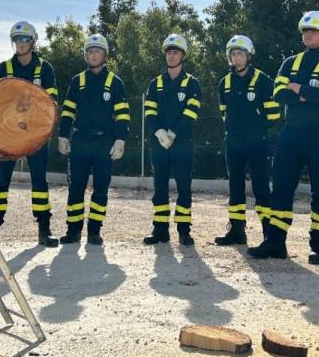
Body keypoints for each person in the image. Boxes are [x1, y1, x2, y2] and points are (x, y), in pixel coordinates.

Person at [248, 11, 319, 262]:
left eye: (313, 30)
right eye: (305, 31)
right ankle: (275, 242)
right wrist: (306, 93)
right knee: (280, 188)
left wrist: (297, 88)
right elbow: (278, 93)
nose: (308, 34)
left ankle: (318, 246)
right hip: (290, 133)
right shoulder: (289, 62)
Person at [0, 21, 60, 249]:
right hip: (8, 134)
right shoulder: (3, 68)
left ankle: (44, 230)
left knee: (39, 181)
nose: (20, 43)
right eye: (17, 39)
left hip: (35, 133)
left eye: (25, 39)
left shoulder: (45, 69)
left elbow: (50, 102)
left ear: (33, 42)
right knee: (1, 181)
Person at [57, 34, 129, 245]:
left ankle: (95, 231)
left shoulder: (115, 82)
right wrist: (63, 135)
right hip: (80, 142)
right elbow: (68, 111)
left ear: (104, 55)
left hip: (104, 143)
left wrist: (120, 140)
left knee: (101, 189)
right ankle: (73, 231)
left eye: (97, 51)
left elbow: (123, 115)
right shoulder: (77, 81)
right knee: (75, 188)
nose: (93, 55)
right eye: (90, 51)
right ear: (86, 55)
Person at [214, 35, 281, 246]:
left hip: (257, 142)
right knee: (235, 187)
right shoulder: (224, 83)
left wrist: (255, 130)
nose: (237, 57)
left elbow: (274, 114)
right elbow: (224, 112)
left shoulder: (263, 81)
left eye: (240, 53)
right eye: (233, 54)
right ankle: (236, 231)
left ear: (249, 55)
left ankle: (268, 233)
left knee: (261, 187)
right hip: (233, 142)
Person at [142, 34, 203, 246]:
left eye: (175, 52)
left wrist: (173, 133)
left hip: (182, 144)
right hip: (159, 145)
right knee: (159, 188)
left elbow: (191, 112)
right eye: (168, 52)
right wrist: (159, 132)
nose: (171, 55)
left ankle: (184, 231)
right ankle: (160, 231)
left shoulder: (192, 83)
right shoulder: (155, 83)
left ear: (183, 55)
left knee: (184, 187)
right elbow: (149, 112)